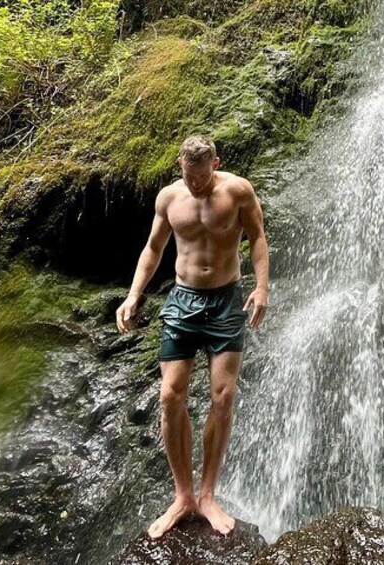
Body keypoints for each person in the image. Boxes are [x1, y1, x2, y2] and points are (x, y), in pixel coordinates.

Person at [115, 134, 269, 538]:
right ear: (180, 168)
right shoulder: (169, 197)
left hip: (224, 300)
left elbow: (257, 239)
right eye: (188, 176)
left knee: (224, 396)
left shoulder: (238, 191)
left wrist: (262, 287)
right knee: (170, 395)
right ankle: (182, 496)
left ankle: (208, 495)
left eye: (201, 176)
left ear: (215, 164)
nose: (195, 184)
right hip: (183, 301)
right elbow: (153, 248)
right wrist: (134, 295)